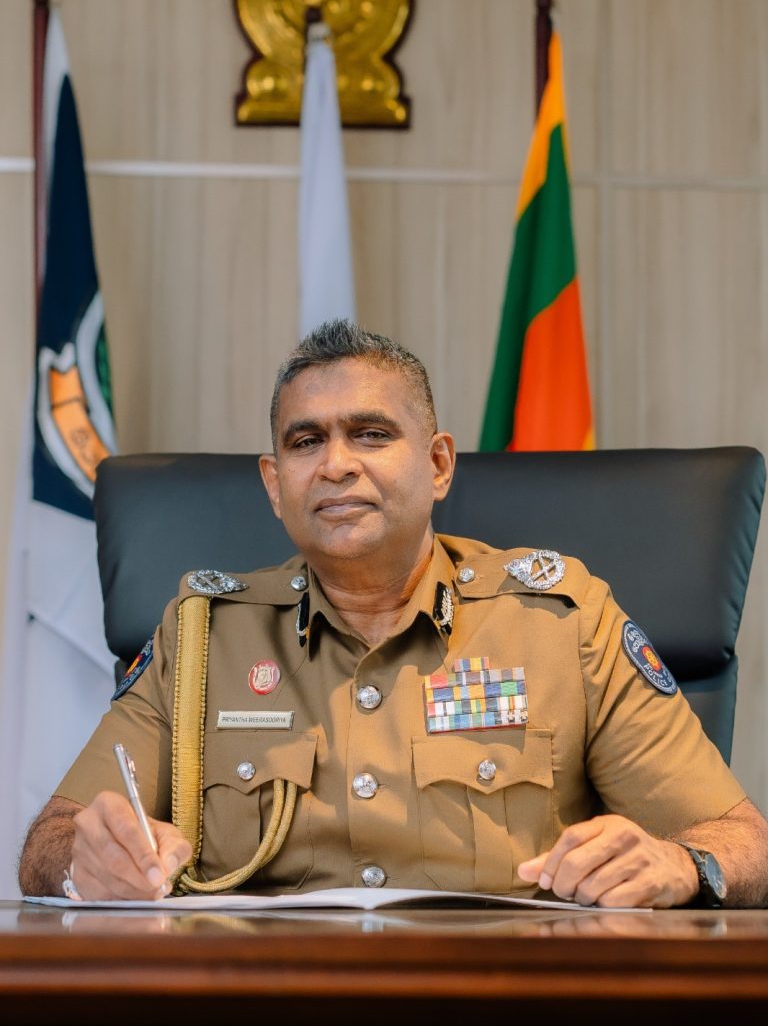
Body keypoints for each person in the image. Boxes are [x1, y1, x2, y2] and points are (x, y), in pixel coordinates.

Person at [18, 319, 768, 908]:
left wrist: (681, 864)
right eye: (306, 441)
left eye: (371, 434)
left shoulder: (561, 623)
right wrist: (87, 862)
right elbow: (48, 842)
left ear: (438, 464)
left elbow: (744, 843)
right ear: (275, 485)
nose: (336, 463)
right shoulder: (203, 637)